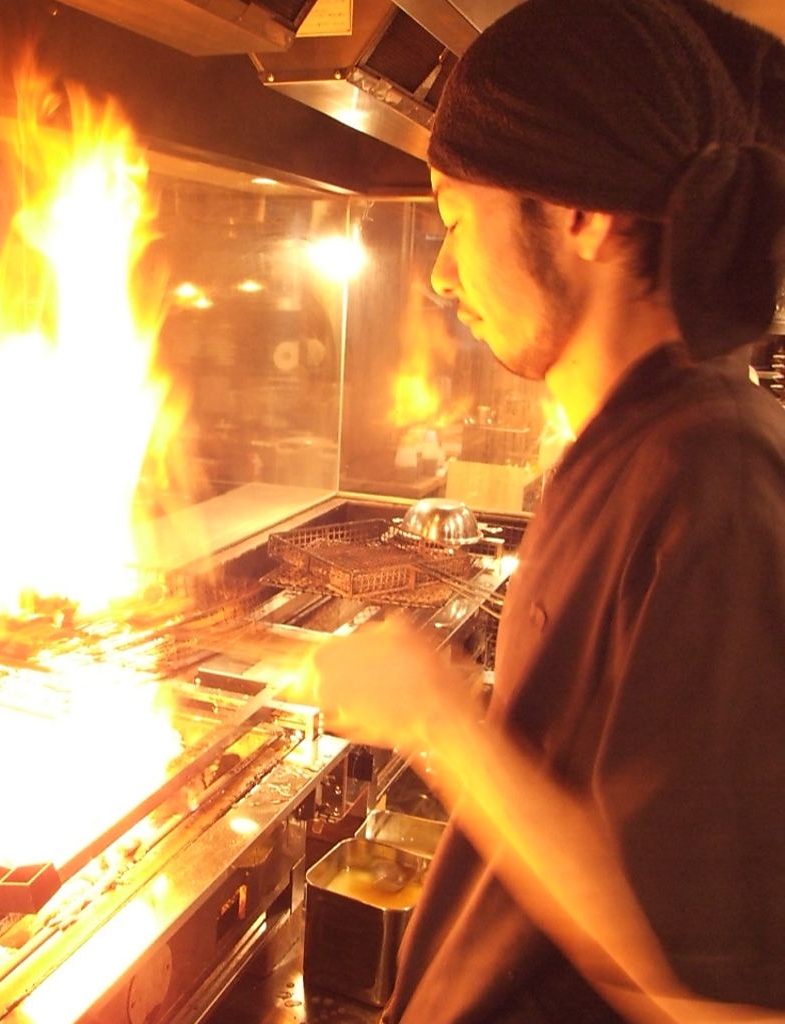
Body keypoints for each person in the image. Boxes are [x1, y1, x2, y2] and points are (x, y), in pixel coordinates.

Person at [298, 1, 785, 1022]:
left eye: (452, 216)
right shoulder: (630, 448)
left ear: (579, 214)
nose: (440, 272)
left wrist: (436, 717)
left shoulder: (710, 477)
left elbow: (714, 996)